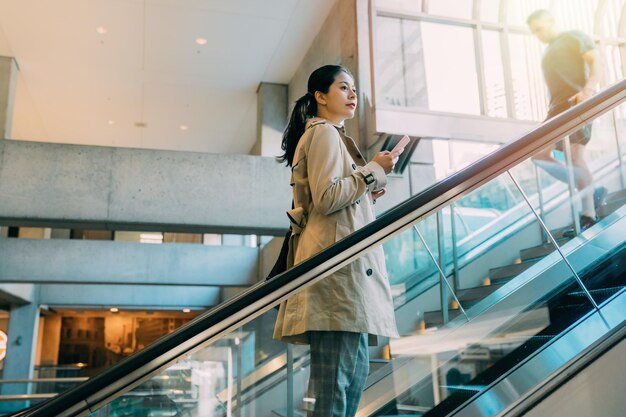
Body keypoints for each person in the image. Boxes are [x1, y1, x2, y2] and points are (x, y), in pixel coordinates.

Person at [273, 64, 399, 417]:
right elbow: (328, 197)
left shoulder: (330, 136)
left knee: (347, 382)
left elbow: (329, 200)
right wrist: (373, 170)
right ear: (320, 96)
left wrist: (367, 189)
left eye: (353, 89)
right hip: (337, 281)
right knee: (335, 389)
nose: (352, 95)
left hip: (343, 283)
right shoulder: (324, 133)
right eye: (343, 88)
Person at [527, 10, 606, 234]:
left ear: (552, 20)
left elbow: (595, 60)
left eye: (540, 28)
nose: (538, 35)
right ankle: (590, 189)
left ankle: (589, 213)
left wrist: (588, 91)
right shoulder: (548, 50)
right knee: (539, 154)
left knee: (574, 156)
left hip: (576, 103)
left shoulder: (573, 36)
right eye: (534, 32)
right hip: (556, 110)